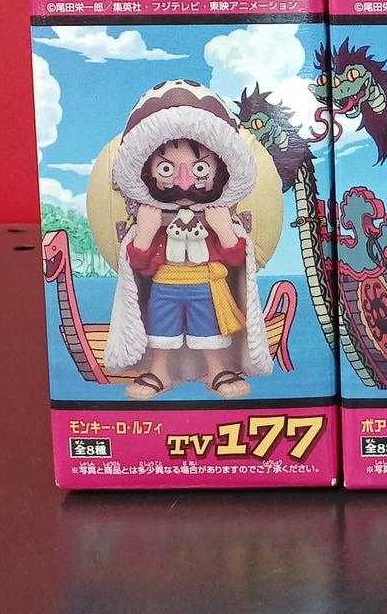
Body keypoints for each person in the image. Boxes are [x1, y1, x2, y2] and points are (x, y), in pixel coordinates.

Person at [104, 80, 271, 398]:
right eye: (167, 168)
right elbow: (139, 265)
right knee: (160, 331)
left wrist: (224, 231)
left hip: (206, 285)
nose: (184, 181)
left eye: (200, 168)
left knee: (209, 329)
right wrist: (146, 233)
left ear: (220, 169)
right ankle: (159, 372)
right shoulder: (153, 218)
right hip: (164, 286)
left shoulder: (216, 217)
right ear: (147, 171)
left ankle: (217, 369)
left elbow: (235, 260)